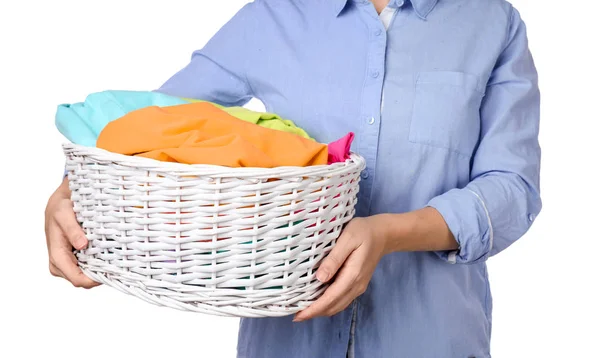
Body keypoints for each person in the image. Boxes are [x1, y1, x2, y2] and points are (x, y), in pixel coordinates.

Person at [44, 0, 541, 357]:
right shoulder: (274, 15)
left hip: (434, 339)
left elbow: (512, 189)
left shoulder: (492, 21)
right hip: (287, 341)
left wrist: (389, 233)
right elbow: (150, 127)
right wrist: (68, 194)